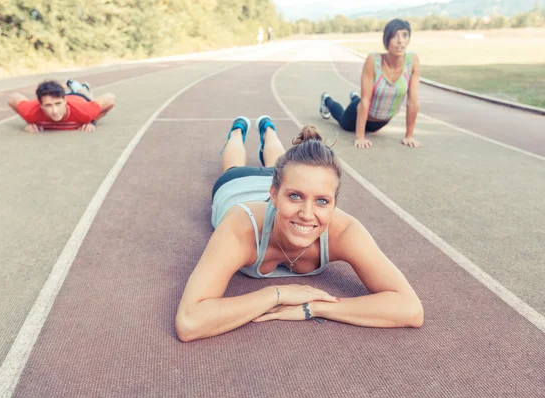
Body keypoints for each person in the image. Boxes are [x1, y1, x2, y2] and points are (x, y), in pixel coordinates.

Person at [175, 115, 424, 342]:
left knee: (281, 167)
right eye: (295, 197)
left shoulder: (344, 231)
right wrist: (277, 294)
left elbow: (410, 309)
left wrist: (314, 307)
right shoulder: (242, 228)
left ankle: (268, 130)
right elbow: (189, 321)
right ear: (274, 195)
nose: (307, 214)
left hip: (282, 177)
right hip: (237, 185)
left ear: (334, 203)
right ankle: (238, 132)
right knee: (233, 166)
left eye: (322, 201)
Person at [319, 19, 421, 148]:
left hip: (380, 122)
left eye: (404, 35)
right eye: (395, 36)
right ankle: (326, 100)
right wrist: (360, 136)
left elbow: (413, 101)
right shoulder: (374, 60)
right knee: (343, 122)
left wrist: (409, 136)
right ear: (386, 40)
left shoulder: (412, 61)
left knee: (371, 130)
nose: (400, 41)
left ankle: (355, 97)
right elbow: (366, 100)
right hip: (359, 113)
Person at [7, 79, 115, 132]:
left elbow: (110, 98)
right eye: (48, 106)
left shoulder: (85, 112)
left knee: (87, 96)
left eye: (58, 104)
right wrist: (30, 122)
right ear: (41, 105)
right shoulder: (31, 111)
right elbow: (12, 98)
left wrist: (92, 121)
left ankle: (77, 86)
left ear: (65, 101)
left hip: (78, 98)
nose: (55, 111)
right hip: (64, 99)